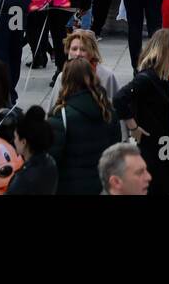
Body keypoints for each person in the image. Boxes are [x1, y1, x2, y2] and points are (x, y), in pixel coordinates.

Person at [113, 28, 169, 195]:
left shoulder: (163, 78)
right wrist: (133, 127)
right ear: (166, 49)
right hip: (153, 150)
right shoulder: (147, 78)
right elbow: (119, 98)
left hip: (166, 148)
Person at [47, 58, 121, 195]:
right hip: (101, 187)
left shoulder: (60, 117)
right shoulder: (108, 112)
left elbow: (50, 161)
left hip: (68, 188)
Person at [5, 106, 59, 194]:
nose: (13, 141)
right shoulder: (50, 163)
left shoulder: (24, 178)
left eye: (15, 137)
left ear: (23, 142)